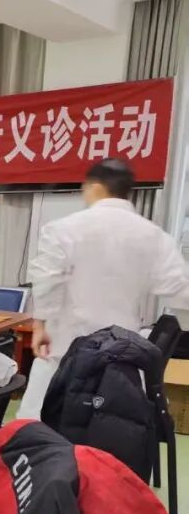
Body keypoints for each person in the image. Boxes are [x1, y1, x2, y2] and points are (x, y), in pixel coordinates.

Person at [19, 158, 189, 419]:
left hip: (64, 349)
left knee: (41, 425)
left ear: (95, 187)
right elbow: (182, 291)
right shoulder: (153, 236)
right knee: (107, 430)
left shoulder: (64, 229)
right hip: (120, 357)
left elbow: (48, 280)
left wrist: (40, 324)